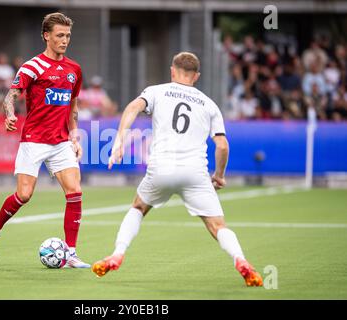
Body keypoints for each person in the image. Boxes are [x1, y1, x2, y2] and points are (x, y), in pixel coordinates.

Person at [91, 52, 263, 286]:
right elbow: (222, 145)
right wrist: (219, 176)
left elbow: (132, 107)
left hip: (161, 168)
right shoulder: (209, 104)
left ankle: (118, 253)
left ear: (173, 71)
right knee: (217, 225)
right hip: (194, 173)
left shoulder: (156, 91)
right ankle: (241, 260)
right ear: (197, 76)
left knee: (139, 207)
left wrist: (119, 140)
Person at [0, 12, 90, 268]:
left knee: (75, 191)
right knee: (24, 195)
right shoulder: (32, 67)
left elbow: (73, 105)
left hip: (61, 141)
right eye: (60, 35)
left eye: (68, 36)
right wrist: (8, 115)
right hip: (34, 140)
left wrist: (74, 136)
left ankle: (71, 253)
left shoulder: (75, 69)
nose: (65, 40)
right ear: (46, 36)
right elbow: (11, 95)